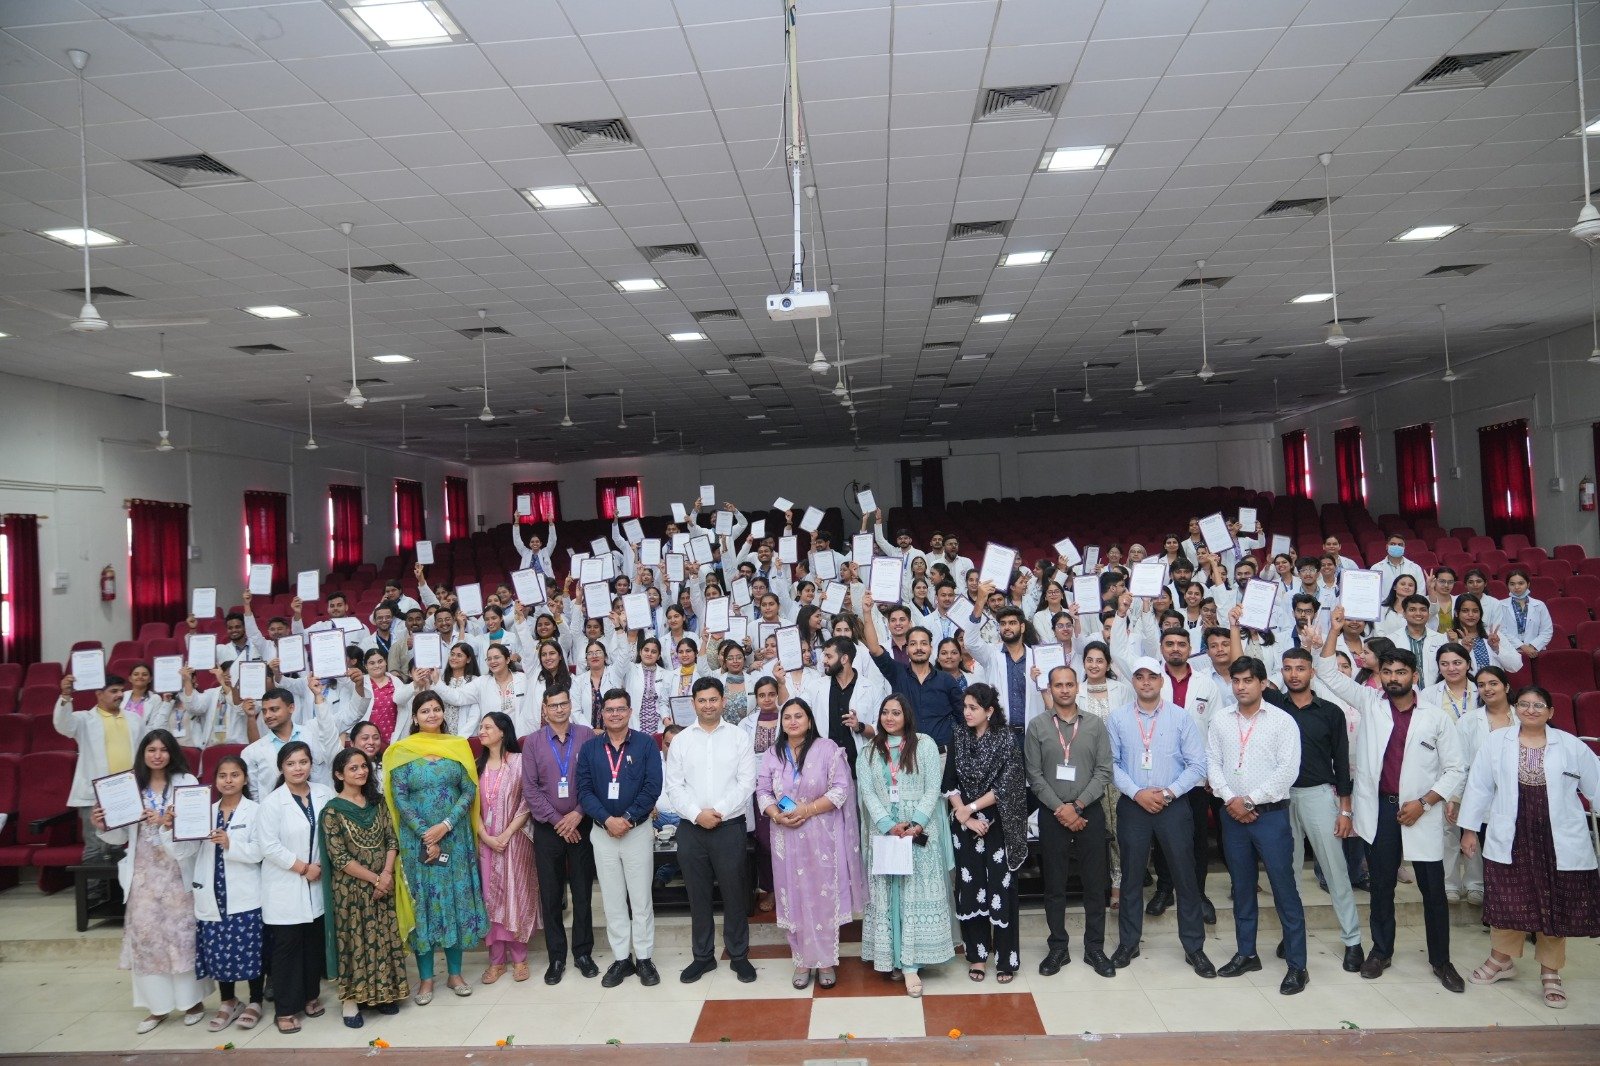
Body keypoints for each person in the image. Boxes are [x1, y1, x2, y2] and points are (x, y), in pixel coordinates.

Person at [1316, 609, 1466, 992]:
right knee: (1381, 886)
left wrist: (1425, 802)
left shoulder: (1435, 717)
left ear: (1415, 676)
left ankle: (1441, 960)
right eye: (1387, 672)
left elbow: (1455, 769)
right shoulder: (1370, 702)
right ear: (1379, 675)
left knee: (1433, 890)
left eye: (1401, 672)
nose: (1394, 678)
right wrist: (1333, 631)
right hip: (1381, 808)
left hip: (1422, 810)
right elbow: (1328, 673)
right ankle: (1381, 951)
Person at [1459, 685, 1600, 1009]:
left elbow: (1596, 787)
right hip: (1512, 833)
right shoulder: (1497, 742)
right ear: (1515, 708)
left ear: (1551, 712)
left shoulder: (1571, 746)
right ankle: (1501, 960)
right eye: (1524, 704)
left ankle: (1551, 972)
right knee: (1507, 900)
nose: (1530, 710)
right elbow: (1479, 787)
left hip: (1557, 837)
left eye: (1538, 705)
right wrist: (1468, 830)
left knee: (1554, 904)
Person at [93, 729, 209, 1033]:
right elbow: (119, 836)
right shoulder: (129, 786)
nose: (157, 755)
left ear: (172, 753)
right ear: (143, 753)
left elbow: (196, 829)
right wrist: (103, 825)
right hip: (143, 875)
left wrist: (166, 823)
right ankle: (157, 1008)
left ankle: (192, 1003)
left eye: (163, 750)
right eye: (151, 750)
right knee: (147, 939)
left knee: (182, 937)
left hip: (177, 872)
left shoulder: (186, 782)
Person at [1106, 656, 1214, 978]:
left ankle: (1194, 947)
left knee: (1185, 876)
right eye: (1139, 677)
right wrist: (1138, 793)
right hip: (1134, 804)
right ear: (1133, 682)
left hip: (1173, 805)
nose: (1146, 682)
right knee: (1131, 877)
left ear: (1161, 680)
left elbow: (1198, 765)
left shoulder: (1180, 717)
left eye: (1151, 676)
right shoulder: (1118, 718)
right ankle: (1128, 943)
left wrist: (1168, 793)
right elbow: (1111, 764)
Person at [1208, 657, 1309, 995]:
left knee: (1284, 888)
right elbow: (1213, 763)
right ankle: (1247, 953)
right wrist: (1231, 800)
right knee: (1242, 887)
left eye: (1248, 680)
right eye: (1236, 680)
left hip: (1270, 816)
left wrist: (1249, 801)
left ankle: (1297, 965)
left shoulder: (1282, 721)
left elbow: (1287, 770)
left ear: (1263, 683)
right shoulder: (1221, 719)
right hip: (1232, 815)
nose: (1241, 686)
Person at [385, 690, 488, 1004]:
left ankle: (455, 973)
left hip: (454, 839)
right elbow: (399, 797)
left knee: (454, 901)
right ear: (415, 717)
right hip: (417, 843)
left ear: (444, 713)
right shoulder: (401, 751)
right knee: (424, 905)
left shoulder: (457, 747)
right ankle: (427, 979)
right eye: (425, 711)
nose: (431, 715)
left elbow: (469, 790)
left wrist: (445, 825)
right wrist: (425, 833)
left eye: (436, 709)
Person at [756, 696, 865, 989]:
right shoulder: (773, 754)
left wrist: (807, 809)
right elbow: (763, 790)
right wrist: (776, 815)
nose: (792, 721)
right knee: (793, 896)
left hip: (821, 835)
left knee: (822, 897)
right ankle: (802, 960)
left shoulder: (827, 749)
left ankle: (826, 961)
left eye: (798, 716)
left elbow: (841, 789)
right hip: (786, 835)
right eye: (787, 717)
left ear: (809, 720)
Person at [856, 694, 954, 996]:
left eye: (896, 713)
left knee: (913, 894)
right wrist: (888, 824)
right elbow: (868, 793)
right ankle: (892, 957)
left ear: (906, 716)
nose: (889, 718)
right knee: (889, 893)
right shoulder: (868, 751)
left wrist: (917, 823)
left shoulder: (924, 744)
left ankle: (911, 964)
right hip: (885, 834)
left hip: (918, 832)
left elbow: (933, 787)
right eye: (885, 712)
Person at [664, 676, 759, 985]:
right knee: (698, 894)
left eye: (713, 699)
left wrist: (716, 812)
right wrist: (697, 815)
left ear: (723, 701)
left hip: (729, 826)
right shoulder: (681, 741)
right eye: (702, 700)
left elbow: (746, 783)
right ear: (693, 704)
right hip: (691, 829)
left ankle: (739, 955)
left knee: (734, 893)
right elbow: (674, 786)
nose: (708, 705)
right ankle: (703, 956)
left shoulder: (738, 737)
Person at [1024, 664, 1115, 979]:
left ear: (1078, 687)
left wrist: (1076, 806)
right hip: (1052, 814)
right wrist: (1060, 809)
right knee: (1054, 884)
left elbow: (1104, 771)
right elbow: (1033, 774)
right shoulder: (1037, 725)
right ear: (1050, 689)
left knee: (1094, 884)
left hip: (1089, 811)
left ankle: (1094, 948)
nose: (1064, 690)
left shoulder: (1095, 725)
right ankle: (1058, 948)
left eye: (1069, 684)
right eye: (1058, 685)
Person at [576, 689, 663, 988]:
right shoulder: (590, 749)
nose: (615, 714)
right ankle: (621, 959)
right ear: (602, 714)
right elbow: (584, 790)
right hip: (603, 834)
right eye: (609, 709)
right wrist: (607, 820)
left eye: (620, 709)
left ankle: (645, 958)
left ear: (630, 711)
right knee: (613, 900)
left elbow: (652, 787)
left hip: (636, 831)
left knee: (641, 899)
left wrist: (626, 818)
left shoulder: (646, 744)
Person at [943, 682, 1029, 983]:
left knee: (1001, 889)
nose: (967, 713)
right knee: (970, 888)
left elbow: (1008, 784)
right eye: (965, 707)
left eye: (973, 708)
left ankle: (1005, 958)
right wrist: (964, 816)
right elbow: (949, 781)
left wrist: (971, 808)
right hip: (966, 825)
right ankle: (977, 956)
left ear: (989, 711)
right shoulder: (958, 736)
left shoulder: (1006, 738)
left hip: (998, 822)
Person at [319, 747, 408, 1028]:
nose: (361, 772)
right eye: (353, 768)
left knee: (382, 938)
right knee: (355, 941)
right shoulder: (332, 811)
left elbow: (391, 840)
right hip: (351, 890)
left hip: (383, 883)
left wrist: (386, 874)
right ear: (339, 775)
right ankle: (351, 1002)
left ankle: (383, 994)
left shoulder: (377, 802)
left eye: (364, 766)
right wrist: (375, 879)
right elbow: (339, 857)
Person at [255, 741, 334, 1034]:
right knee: (287, 949)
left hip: (317, 882)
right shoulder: (272, 802)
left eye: (303, 762)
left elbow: (331, 832)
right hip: (286, 885)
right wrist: (303, 867)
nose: (298, 768)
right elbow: (268, 846)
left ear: (311, 764)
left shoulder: (324, 793)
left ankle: (311, 996)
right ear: (281, 768)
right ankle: (286, 1010)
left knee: (312, 945)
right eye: (291, 764)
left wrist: (321, 865)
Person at [521, 688, 598, 985]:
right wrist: (558, 821)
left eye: (563, 703)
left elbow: (593, 780)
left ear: (570, 704)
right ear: (544, 709)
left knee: (582, 891)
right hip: (548, 828)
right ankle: (556, 957)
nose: (559, 709)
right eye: (553, 705)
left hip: (582, 824)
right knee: (551, 895)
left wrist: (578, 814)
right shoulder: (533, 742)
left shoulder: (586, 735)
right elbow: (530, 789)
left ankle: (583, 953)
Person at [188, 755, 265, 1034]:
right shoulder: (203, 811)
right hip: (213, 892)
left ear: (245, 778)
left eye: (235, 775)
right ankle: (228, 1001)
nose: (229, 780)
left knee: (251, 949)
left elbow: (260, 851)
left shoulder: (256, 811)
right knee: (219, 950)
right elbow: (185, 851)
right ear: (215, 780)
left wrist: (231, 843)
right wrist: (169, 829)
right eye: (223, 775)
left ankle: (255, 1001)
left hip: (245, 892)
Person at [56, 673, 149, 865]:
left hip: (127, 792)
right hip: (94, 795)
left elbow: (143, 753)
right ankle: (92, 886)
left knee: (121, 848)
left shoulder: (134, 719)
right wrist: (65, 696)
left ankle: (118, 885)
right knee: (95, 849)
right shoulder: (84, 719)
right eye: (113, 691)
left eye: (121, 690)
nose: (120, 695)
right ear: (99, 694)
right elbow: (63, 726)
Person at [474, 710, 539, 983]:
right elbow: (471, 807)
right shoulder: (475, 766)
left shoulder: (519, 762)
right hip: (486, 843)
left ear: (502, 731)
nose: (482, 731)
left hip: (515, 841)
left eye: (488, 727)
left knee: (515, 895)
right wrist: (486, 837)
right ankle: (496, 961)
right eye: (481, 727)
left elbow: (527, 801)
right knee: (490, 899)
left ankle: (520, 959)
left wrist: (507, 833)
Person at [1448, 666, 1516, 906]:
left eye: (1493, 683)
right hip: (1482, 797)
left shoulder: (1523, 716)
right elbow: (1461, 764)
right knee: (1484, 848)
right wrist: (1455, 797)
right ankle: (1484, 894)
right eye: (1482, 684)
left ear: (1506, 687)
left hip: (1519, 797)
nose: (1487, 689)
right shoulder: (1468, 721)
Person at [861, 592, 963, 749]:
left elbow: (962, 715)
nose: (919, 648)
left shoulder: (946, 680)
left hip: (942, 754)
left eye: (923, 643)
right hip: (907, 752)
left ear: (931, 648)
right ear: (907, 649)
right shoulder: (897, 673)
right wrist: (867, 613)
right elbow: (874, 649)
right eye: (913, 644)